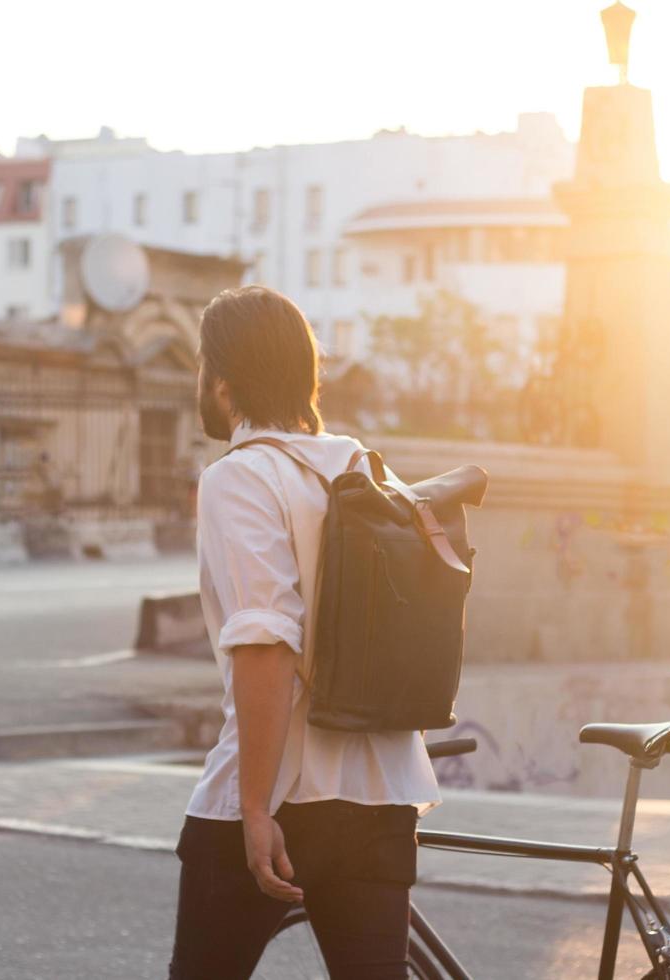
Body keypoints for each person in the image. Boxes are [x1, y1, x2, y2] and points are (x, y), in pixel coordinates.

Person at [169, 286, 439, 979]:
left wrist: (254, 808)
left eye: (202, 363)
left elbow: (266, 643)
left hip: (280, 793)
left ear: (223, 382)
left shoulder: (240, 477)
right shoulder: (365, 470)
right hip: (380, 796)